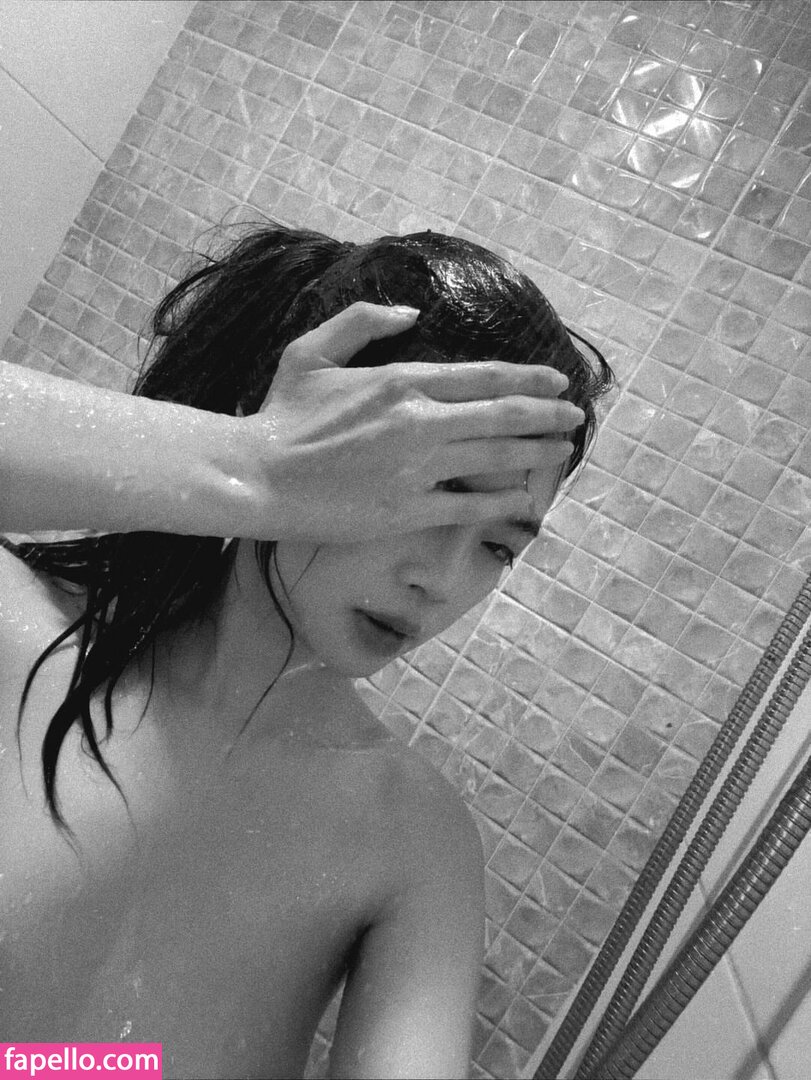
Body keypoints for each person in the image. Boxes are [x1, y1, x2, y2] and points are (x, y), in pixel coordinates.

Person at [0, 226, 613, 1079]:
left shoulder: (408, 833)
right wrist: (250, 464)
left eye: (496, 547)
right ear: (323, 445)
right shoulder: (17, 635)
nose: (440, 579)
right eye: (431, 493)